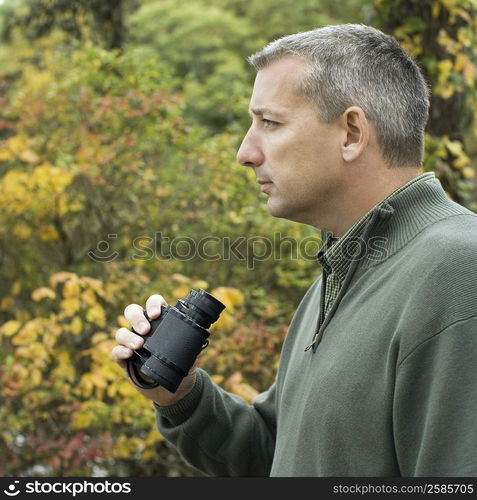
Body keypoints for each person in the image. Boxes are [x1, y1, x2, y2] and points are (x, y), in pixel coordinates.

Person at [112, 24, 477, 477]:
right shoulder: (340, 277)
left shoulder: (460, 272)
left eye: (270, 122)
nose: (245, 152)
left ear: (351, 134)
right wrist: (182, 396)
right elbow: (280, 458)